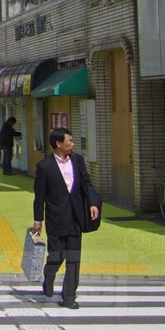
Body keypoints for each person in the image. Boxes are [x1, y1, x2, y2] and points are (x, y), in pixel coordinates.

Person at [32, 127, 101, 310]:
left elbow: (86, 182)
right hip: (56, 219)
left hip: (76, 217)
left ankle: (69, 296)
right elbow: (39, 196)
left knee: (74, 258)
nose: (72, 144)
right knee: (56, 257)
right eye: (69, 141)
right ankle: (49, 277)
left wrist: (93, 203)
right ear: (58, 144)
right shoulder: (44, 166)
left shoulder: (77, 160)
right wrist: (38, 220)